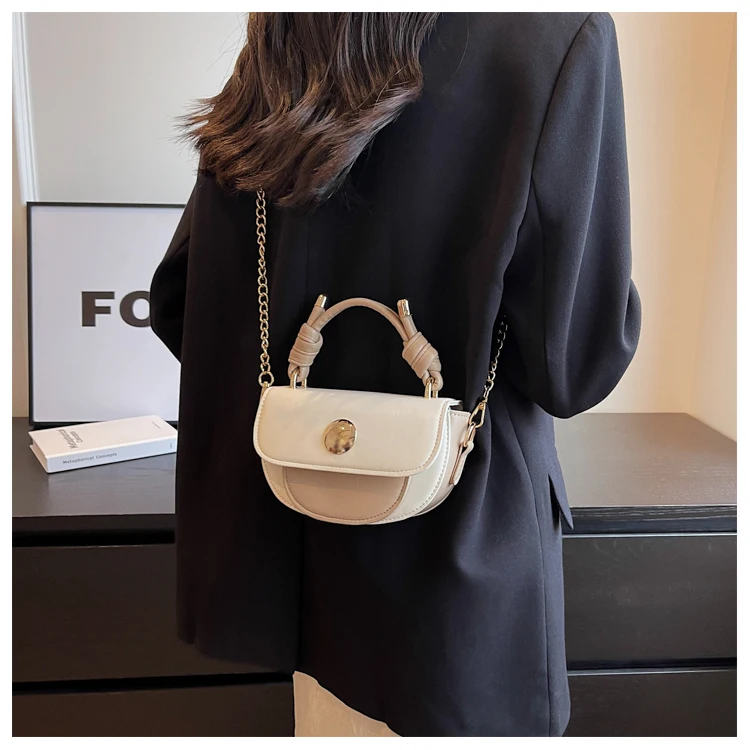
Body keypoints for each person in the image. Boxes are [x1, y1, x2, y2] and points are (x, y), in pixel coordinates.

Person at [150, 12, 641, 737]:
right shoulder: (556, 36)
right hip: (457, 588)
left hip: (302, 561)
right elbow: (575, 366)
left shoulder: (286, 37)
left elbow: (182, 304)